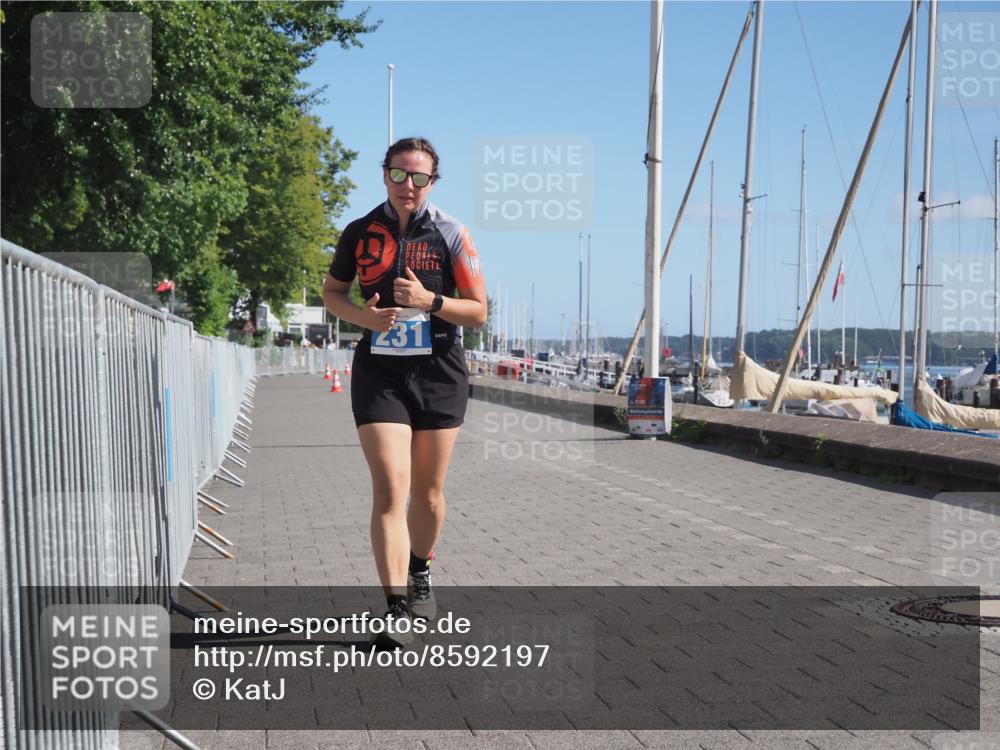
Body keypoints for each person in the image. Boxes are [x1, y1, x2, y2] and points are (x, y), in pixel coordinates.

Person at [322, 137, 487, 647]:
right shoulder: (358, 231)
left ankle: (420, 569)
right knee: (391, 490)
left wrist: (430, 299)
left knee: (428, 494)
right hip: (380, 373)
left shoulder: (452, 233)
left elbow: (479, 311)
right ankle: (396, 609)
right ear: (385, 174)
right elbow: (333, 293)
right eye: (398, 174)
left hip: (439, 372)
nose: (407, 186)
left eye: (419, 177)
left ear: (432, 182)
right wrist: (364, 318)